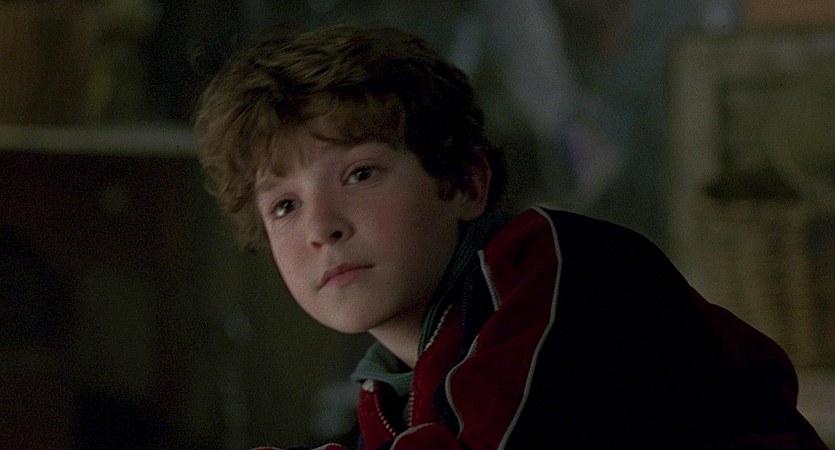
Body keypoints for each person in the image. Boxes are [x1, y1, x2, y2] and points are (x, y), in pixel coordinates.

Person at [193, 24, 827, 450]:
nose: (320, 226)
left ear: (466, 183)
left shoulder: (554, 271)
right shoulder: (388, 389)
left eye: (360, 173)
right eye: (284, 206)